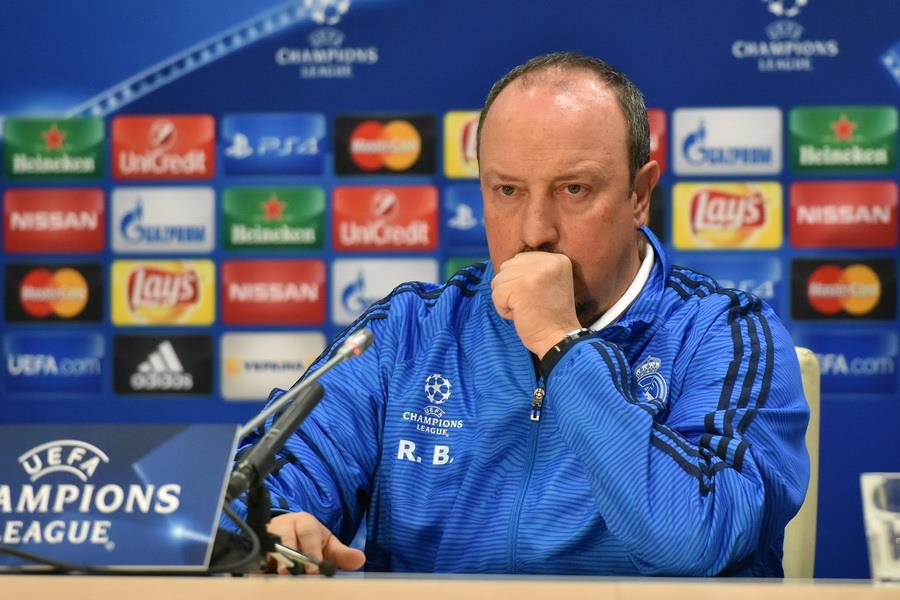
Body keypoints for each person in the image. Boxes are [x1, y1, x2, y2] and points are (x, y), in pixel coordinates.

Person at [232, 51, 810, 576]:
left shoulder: (724, 334)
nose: (535, 232)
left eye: (573, 189)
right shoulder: (408, 332)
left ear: (639, 195)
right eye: (507, 191)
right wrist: (272, 525)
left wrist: (562, 344)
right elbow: (249, 491)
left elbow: (694, 539)